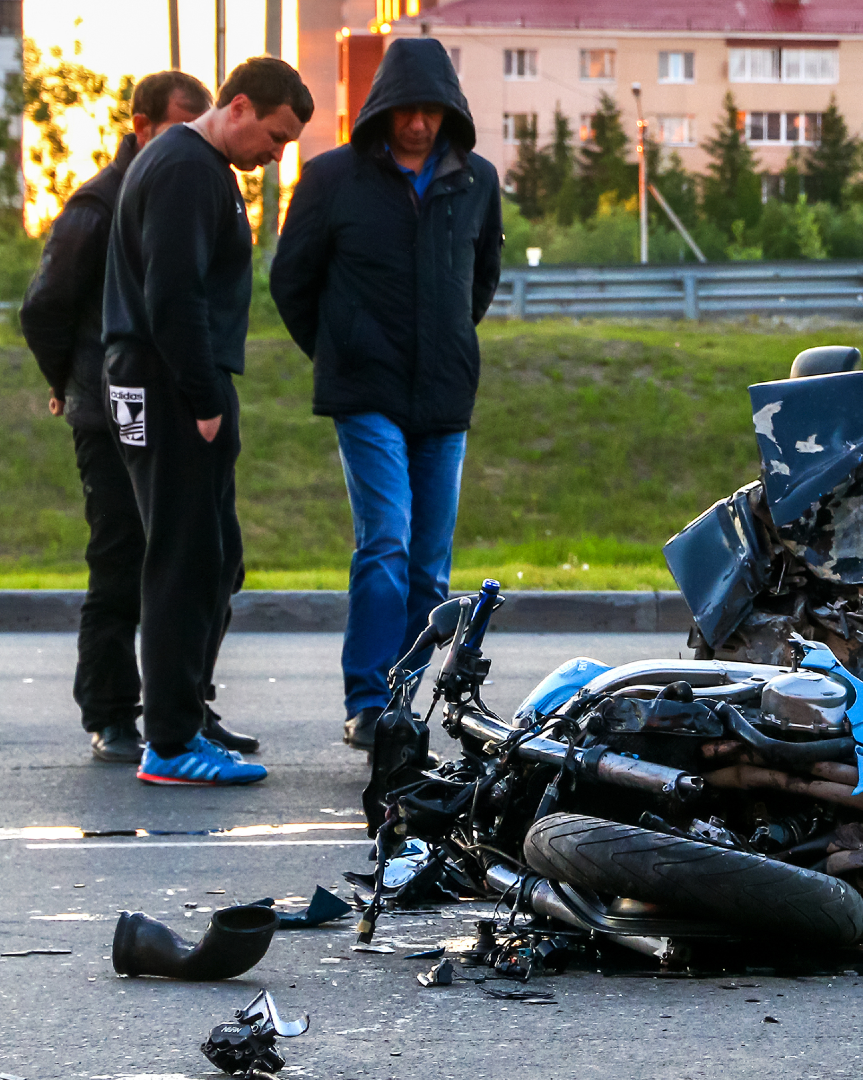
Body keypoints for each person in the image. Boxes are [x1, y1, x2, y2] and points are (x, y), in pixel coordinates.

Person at [270, 38, 503, 752]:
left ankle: (402, 704)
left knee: (431, 564)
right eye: (409, 109)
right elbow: (291, 281)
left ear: (450, 112)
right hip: (364, 391)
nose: (420, 123)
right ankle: (367, 701)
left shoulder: (478, 180)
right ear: (384, 109)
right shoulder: (331, 177)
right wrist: (342, 351)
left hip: (443, 394)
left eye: (433, 110)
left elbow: (480, 280)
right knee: (387, 543)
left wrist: (449, 346)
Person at [101, 57, 311, 786]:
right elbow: (173, 294)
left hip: (170, 379)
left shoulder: (194, 165)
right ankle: (170, 741)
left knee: (215, 558)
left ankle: (185, 719)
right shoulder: (189, 168)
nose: (276, 155)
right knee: (184, 562)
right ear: (242, 105)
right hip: (168, 385)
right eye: (276, 136)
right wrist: (204, 401)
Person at [20, 71, 231, 764]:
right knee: (122, 558)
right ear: (139, 124)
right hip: (105, 408)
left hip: (157, 401)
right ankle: (112, 712)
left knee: (208, 558)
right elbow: (44, 307)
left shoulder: (187, 187)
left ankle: (187, 705)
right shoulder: (96, 204)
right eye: (176, 127)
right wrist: (68, 382)